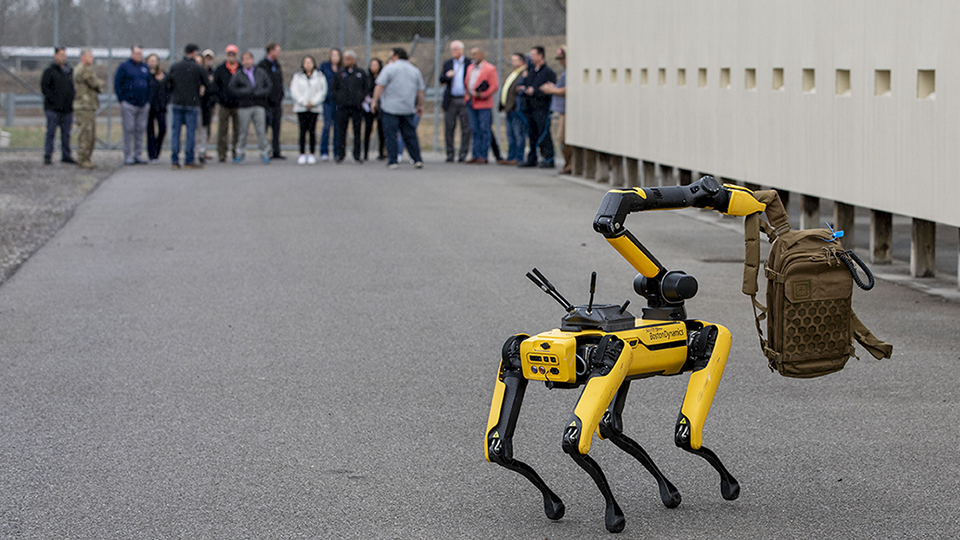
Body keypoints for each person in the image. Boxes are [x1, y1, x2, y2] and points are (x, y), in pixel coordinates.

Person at [371, 48, 424, 170]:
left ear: (396, 56)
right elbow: (420, 91)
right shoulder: (414, 70)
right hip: (408, 107)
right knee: (410, 134)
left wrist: (374, 101)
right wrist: (419, 105)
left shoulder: (389, 68)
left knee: (391, 134)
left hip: (391, 108)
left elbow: (380, 85)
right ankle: (417, 159)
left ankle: (393, 160)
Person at [166, 43, 209, 169]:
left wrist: (174, 93)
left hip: (177, 102)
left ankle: (175, 160)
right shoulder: (197, 68)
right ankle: (189, 160)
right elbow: (207, 83)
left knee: (176, 132)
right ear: (194, 53)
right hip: (192, 102)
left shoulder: (175, 67)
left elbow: (167, 82)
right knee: (190, 132)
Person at [229, 51, 272, 164]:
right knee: (243, 131)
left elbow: (268, 87)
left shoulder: (261, 73)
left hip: (258, 105)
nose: (247, 61)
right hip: (244, 106)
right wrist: (245, 92)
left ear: (253, 60)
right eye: (244, 59)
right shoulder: (238, 74)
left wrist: (258, 93)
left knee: (261, 131)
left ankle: (264, 153)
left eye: (249, 59)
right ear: (242, 61)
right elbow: (232, 89)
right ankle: (240, 153)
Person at [517, 46, 556, 168]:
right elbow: (524, 85)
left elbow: (548, 89)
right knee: (532, 134)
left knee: (543, 133)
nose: (531, 58)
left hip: (542, 108)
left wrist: (534, 91)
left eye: (533, 55)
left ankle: (548, 158)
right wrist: (524, 89)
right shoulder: (531, 71)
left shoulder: (548, 72)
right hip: (529, 107)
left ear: (540, 56)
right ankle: (532, 158)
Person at [114, 45, 152, 165]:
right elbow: (117, 83)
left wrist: (148, 100)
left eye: (140, 53)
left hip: (143, 104)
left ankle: (138, 154)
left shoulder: (145, 67)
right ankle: (128, 155)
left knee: (140, 129)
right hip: (129, 103)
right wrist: (122, 99)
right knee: (129, 129)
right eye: (136, 53)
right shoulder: (124, 67)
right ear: (131, 54)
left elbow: (150, 84)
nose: (138, 56)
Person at [40, 47, 75, 165]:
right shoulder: (49, 71)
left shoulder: (69, 71)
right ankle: (48, 155)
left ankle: (66, 155)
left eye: (64, 55)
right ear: (55, 56)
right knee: (51, 133)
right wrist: (54, 101)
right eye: (60, 55)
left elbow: (72, 88)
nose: (63, 57)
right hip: (53, 109)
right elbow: (45, 88)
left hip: (67, 109)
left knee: (66, 134)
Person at [464, 47, 499, 164]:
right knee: (474, 129)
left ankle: (483, 155)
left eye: (475, 54)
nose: (473, 56)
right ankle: (475, 154)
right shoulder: (470, 68)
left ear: (482, 55)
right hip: (471, 102)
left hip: (483, 104)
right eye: (472, 54)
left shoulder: (490, 69)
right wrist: (467, 95)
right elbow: (467, 83)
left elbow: (494, 86)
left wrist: (483, 94)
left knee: (485, 128)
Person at [332, 50, 367, 164]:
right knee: (342, 131)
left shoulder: (360, 73)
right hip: (343, 107)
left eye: (348, 59)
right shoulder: (340, 73)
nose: (346, 61)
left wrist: (360, 98)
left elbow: (365, 87)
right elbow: (334, 89)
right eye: (345, 59)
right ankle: (340, 154)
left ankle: (357, 154)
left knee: (357, 131)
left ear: (353, 60)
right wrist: (340, 98)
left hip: (356, 107)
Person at [290, 55, 327, 164]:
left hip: (314, 108)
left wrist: (313, 102)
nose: (308, 64)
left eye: (310, 62)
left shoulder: (319, 76)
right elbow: (294, 90)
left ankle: (311, 153)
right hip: (301, 108)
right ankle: (302, 154)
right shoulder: (297, 76)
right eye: (306, 62)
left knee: (312, 131)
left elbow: (322, 91)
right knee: (302, 131)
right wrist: (304, 102)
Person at [540, 46, 570, 174]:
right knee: (560, 138)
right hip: (561, 110)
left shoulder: (570, 71)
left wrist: (552, 90)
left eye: (562, 58)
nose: (561, 61)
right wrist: (554, 86)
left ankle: (569, 163)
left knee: (563, 138)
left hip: (567, 110)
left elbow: (567, 89)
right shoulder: (565, 71)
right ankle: (568, 163)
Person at [439, 40, 470, 162]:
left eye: (455, 49)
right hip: (451, 99)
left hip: (464, 99)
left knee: (466, 128)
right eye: (452, 49)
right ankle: (450, 153)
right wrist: (447, 76)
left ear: (461, 50)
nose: (453, 52)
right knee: (449, 127)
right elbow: (441, 79)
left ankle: (463, 153)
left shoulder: (468, 63)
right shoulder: (448, 64)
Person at [72, 49, 102, 169]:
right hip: (84, 105)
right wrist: (100, 83)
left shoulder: (86, 69)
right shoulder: (82, 69)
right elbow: (95, 83)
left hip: (89, 106)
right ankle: (83, 159)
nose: (92, 58)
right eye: (90, 56)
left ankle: (87, 158)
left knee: (90, 133)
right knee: (86, 133)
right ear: (83, 57)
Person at [214, 44, 241, 162]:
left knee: (238, 130)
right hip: (224, 104)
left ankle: (237, 151)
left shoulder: (241, 69)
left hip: (238, 104)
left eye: (233, 54)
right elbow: (216, 86)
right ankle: (222, 153)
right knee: (222, 130)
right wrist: (220, 99)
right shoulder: (220, 69)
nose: (231, 57)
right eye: (229, 54)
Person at [258, 42, 285, 160]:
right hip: (266, 103)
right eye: (277, 50)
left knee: (276, 128)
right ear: (271, 51)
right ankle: (264, 150)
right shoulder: (262, 65)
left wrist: (281, 95)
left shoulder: (277, 65)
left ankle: (276, 151)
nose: (278, 53)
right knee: (264, 128)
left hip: (277, 102)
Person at [499, 52, 528, 166]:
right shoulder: (514, 73)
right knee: (510, 134)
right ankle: (511, 156)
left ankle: (518, 157)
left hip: (517, 109)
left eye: (515, 60)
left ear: (521, 61)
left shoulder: (524, 73)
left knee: (518, 134)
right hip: (509, 108)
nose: (512, 62)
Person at [195, 49, 218, 164]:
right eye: (206, 58)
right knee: (195, 129)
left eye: (210, 58)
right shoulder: (197, 72)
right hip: (195, 103)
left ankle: (202, 151)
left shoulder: (213, 72)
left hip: (207, 104)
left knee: (205, 129)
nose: (207, 61)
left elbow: (214, 88)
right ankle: (195, 150)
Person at [146, 54, 169, 164]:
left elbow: (169, 88)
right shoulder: (146, 75)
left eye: (154, 60)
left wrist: (166, 100)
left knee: (163, 129)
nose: (153, 63)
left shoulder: (164, 75)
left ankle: (157, 149)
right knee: (150, 131)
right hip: (149, 106)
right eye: (150, 60)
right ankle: (152, 154)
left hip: (161, 106)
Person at [318, 48, 341, 161]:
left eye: (337, 55)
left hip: (338, 102)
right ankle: (324, 151)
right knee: (327, 126)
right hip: (327, 100)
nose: (335, 57)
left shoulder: (342, 69)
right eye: (333, 55)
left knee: (338, 127)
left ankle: (337, 152)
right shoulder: (324, 67)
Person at [362, 57, 386, 161]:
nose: (373, 67)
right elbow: (363, 91)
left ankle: (381, 152)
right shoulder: (367, 78)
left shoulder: (384, 77)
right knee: (368, 129)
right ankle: (365, 153)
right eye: (372, 65)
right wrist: (370, 101)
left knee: (381, 130)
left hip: (381, 106)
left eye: (375, 65)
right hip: (368, 107)